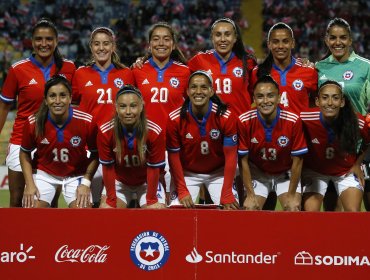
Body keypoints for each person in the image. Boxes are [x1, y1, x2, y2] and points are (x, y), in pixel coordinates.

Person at [0, 18, 76, 207]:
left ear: (57, 41)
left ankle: (49, 237)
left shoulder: (69, 68)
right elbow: (4, 108)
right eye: (39, 39)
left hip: (55, 141)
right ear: (32, 42)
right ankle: (16, 238)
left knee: (49, 203)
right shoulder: (17, 70)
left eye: (49, 39)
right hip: (21, 141)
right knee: (17, 200)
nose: (44, 44)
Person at [72, 27, 135, 207]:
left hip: (116, 148)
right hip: (88, 150)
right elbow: (74, 108)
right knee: (84, 205)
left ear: (113, 46)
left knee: (111, 205)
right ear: (91, 47)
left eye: (106, 43)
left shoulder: (126, 74)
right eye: (97, 44)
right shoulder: (80, 74)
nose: (101, 48)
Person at [315, 18, 370, 211]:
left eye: (343, 38)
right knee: (333, 213)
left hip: (361, 147)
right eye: (333, 38)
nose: (338, 42)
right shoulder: (318, 67)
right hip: (331, 149)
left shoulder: (366, 66)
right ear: (326, 40)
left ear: (350, 40)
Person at [132, 22, 190, 200]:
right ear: (149, 45)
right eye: (156, 39)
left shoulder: (185, 72)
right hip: (145, 144)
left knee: (174, 201)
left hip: (175, 145)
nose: (161, 43)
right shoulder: (137, 70)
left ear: (173, 45)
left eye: (166, 39)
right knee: (146, 199)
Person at [20, 76, 98, 208]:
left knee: (84, 214)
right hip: (44, 174)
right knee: (31, 211)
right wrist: (29, 184)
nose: (57, 101)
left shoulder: (86, 121)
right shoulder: (34, 122)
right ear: (45, 100)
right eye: (52, 96)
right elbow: (24, 153)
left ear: (70, 98)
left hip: (76, 175)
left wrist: (86, 182)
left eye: (62, 95)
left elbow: (96, 154)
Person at [166, 70, 239, 209]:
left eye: (204, 87)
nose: (198, 91)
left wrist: (227, 192)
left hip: (218, 173)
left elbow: (231, 157)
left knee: (231, 210)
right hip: (187, 173)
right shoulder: (175, 119)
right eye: (194, 87)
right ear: (187, 91)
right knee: (176, 212)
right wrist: (181, 189)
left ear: (211, 91)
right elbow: (173, 158)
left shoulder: (226, 117)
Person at [238, 75, 308, 211]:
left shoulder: (293, 121)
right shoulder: (244, 121)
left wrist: (292, 194)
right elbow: (243, 161)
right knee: (250, 207)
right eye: (260, 96)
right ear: (254, 99)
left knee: (292, 207)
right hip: (258, 173)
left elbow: (298, 160)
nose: (265, 101)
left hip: (285, 173)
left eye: (270, 96)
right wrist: (250, 194)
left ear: (278, 97)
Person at [300, 80, 370, 212]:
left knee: (353, 212)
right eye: (325, 98)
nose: (330, 103)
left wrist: (357, 164)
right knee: (309, 214)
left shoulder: (357, 122)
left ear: (342, 102)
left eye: (335, 98)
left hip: (346, 171)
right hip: (315, 172)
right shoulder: (305, 118)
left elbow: (367, 141)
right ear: (317, 101)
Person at [98, 85, 166, 209]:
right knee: (106, 210)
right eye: (123, 106)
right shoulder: (105, 132)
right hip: (120, 182)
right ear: (116, 108)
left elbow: (153, 169)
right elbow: (108, 169)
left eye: (133, 106)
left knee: (156, 211)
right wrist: (112, 200)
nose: (128, 112)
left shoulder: (154, 131)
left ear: (141, 107)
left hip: (147, 182)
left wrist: (151, 200)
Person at [187, 17, 256, 117]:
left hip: (241, 126)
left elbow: (256, 93)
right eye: (218, 35)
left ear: (235, 38)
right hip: (210, 127)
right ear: (212, 37)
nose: (223, 39)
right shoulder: (199, 60)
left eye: (227, 35)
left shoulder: (248, 62)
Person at [251, 22, 318, 114]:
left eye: (285, 41)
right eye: (275, 42)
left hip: (300, 128)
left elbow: (316, 103)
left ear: (292, 43)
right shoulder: (257, 72)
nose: (280, 46)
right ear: (269, 44)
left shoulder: (308, 70)